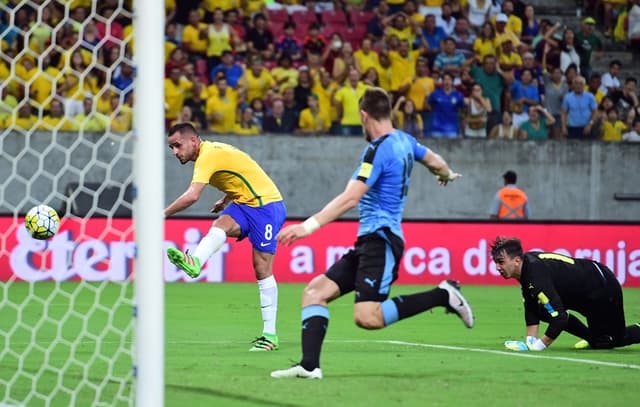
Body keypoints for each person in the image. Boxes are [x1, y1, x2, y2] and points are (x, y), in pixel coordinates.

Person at [269, 87, 474, 380]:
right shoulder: (405, 140)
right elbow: (436, 162)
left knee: (368, 318)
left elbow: (350, 198)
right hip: (370, 240)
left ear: (364, 116)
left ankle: (442, 295)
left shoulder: (377, 149)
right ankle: (309, 366)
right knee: (315, 292)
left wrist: (307, 227)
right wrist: (446, 176)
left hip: (382, 239)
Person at [164, 123, 286, 352]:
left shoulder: (207, 156)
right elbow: (240, 172)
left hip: (267, 206)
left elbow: (192, 196)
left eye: (177, 146)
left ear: (193, 141)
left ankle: (270, 335)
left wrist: (162, 214)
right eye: (171, 148)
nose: (175, 153)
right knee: (220, 224)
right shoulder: (211, 152)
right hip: (244, 202)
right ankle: (195, 262)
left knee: (262, 268)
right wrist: (226, 199)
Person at [491, 237, 640, 351]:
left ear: (516, 261)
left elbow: (560, 318)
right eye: (496, 262)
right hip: (584, 295)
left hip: (602, 286)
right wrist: (529, 341)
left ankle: (599, 337)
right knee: (599, 342)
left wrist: (538, 346)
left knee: (616, 339)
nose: (497, 267)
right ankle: (593, 338)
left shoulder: (536, 275)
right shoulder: (526, 270)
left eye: (501, 262)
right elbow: (531, 308)